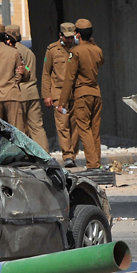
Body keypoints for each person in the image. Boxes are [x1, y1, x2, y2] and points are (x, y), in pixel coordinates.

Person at [57, 18, 104, 169]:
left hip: (82, 94)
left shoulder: (75, 52)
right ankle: (96, 161)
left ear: (77, 35)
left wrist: (62, 102)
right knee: (95, 130)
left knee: (84, 129)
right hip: (96, 93)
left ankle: (92, 163)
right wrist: (93, 43)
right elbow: (101, 60)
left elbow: (69, 78)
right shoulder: (97, 50)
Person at [42, 22, 80, 167]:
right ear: (60, 35)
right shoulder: (52, 50)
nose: (69, 40)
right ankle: (68, 156)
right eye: (67, 37)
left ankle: (73, 154)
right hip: (58, 93)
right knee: (63, 125)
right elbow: (46, 73)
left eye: (71, 37)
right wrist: (47, 94)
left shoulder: (78, 48)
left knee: (75, 126)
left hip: (75, 92)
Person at [7, 24, 48, 151]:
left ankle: (23, 154)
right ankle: (45, 154)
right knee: (37, 127)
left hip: (19, 93)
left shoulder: (12, 52)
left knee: (18, 128)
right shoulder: (29, 51)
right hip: (32, 93)